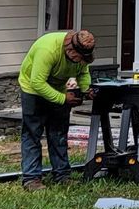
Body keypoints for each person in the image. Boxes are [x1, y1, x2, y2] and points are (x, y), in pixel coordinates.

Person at [16, 29, 94, 189]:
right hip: (32, 88)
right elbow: (37, 82)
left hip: (58, 87)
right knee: (32, 133)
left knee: (58, 133)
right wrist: (63, 99)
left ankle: (62, 175)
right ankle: (31, 178)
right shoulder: (47, 50)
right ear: (69, 50)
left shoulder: (81, 57)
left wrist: (86, 89)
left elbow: (83, 73)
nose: (79, 62)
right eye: (77, 58)